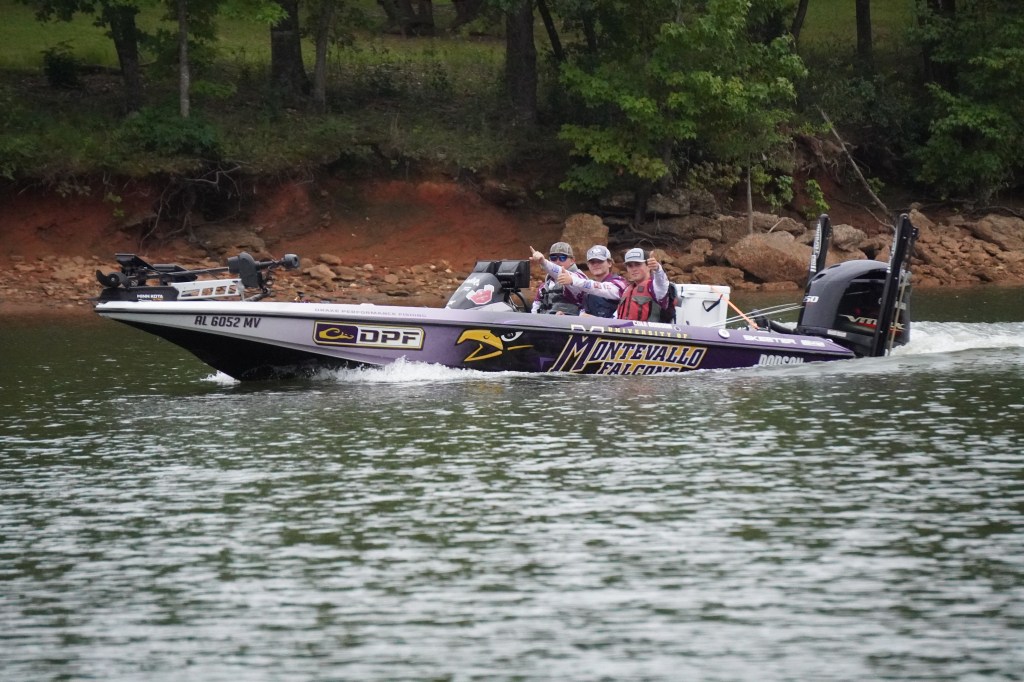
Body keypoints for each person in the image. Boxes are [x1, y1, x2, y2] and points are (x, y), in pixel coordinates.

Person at [551, 244, 628, 317]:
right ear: (588, 265)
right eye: (592, 262)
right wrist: (567, 317)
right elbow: (582, 313)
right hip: (589, 326)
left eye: (600, 261)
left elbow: (600, 288)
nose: (595, 264)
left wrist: (573, 280)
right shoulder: (587, 289)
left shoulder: (620, 282)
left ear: (609, 263)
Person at [616, 247, 673, 322]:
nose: (634, 269)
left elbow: (662, 282)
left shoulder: (655, 287)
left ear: (648, 266)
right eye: (630, 266)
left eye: (638, 264)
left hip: (649, 329)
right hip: (623, 329)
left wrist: (657, 269)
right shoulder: (627, 289)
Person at [529, 242, 585, 314]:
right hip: (547, 320)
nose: (558, 261)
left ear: (572, 260)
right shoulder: (544, 287)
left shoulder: (579, 279)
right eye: (553, 258)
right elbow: (535, 310)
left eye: (562, 258)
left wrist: (544, 262)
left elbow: (586, 310)